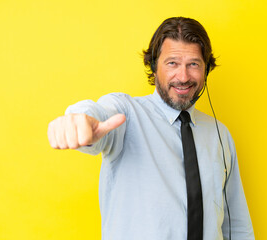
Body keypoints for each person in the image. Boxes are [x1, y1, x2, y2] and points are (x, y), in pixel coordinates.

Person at [47, 17, 254, 240]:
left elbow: (237, 225)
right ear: (154, 67)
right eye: (172, 63)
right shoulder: (126, 114)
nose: (183, 77)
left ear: (206, 69)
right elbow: (98, 112)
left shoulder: (219, 134)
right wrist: (80, 120)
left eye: (193, 64)